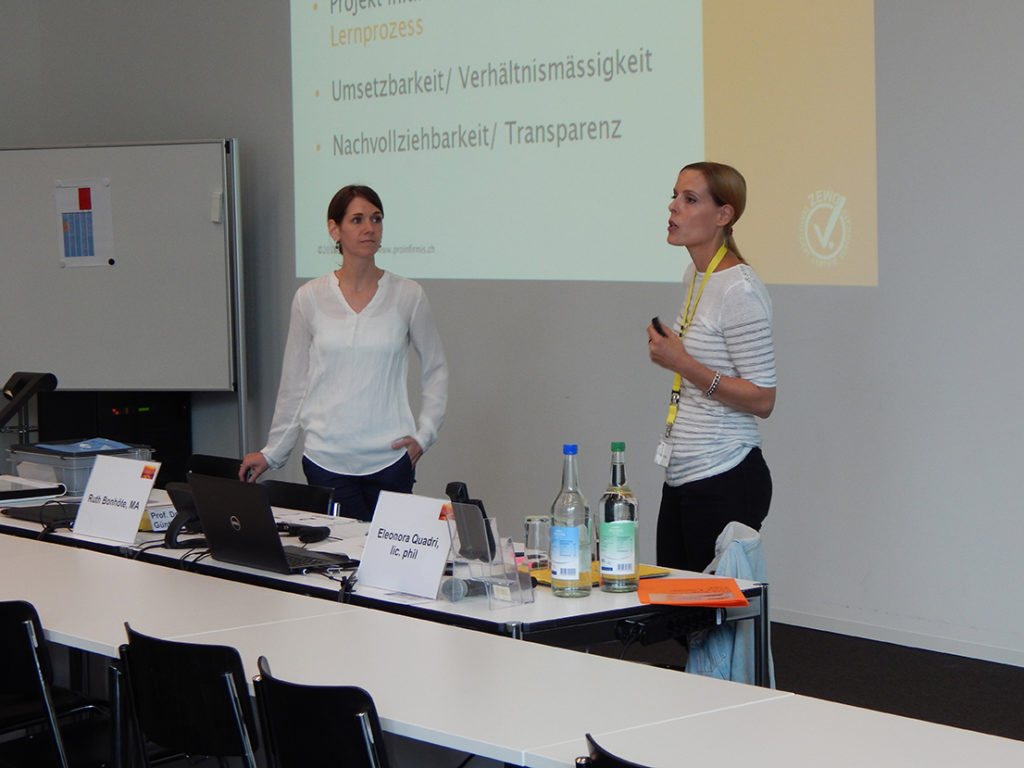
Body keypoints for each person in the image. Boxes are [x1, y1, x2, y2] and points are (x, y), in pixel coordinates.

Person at [239, 184, 448, 521]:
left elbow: (435, 369)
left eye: (376, 219)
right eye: (357, 220)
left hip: (390, 460)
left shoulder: (408, 295)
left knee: (387, 552)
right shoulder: (309, 297)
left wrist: (424, 435)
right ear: (334, 229)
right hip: (326, 460)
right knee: (344, 550)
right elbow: (295, 383)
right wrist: (273, 452)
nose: (369, 228)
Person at [646, 162, 776, 573]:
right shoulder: (696, 275)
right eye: (674, 196)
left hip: (725, 473)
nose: (673, 207)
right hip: (683, 473)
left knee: (710, 609)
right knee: (673, 605)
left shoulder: (740, 289)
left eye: (690, 199)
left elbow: (763, 399)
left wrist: (682, 363)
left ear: (723, 215)